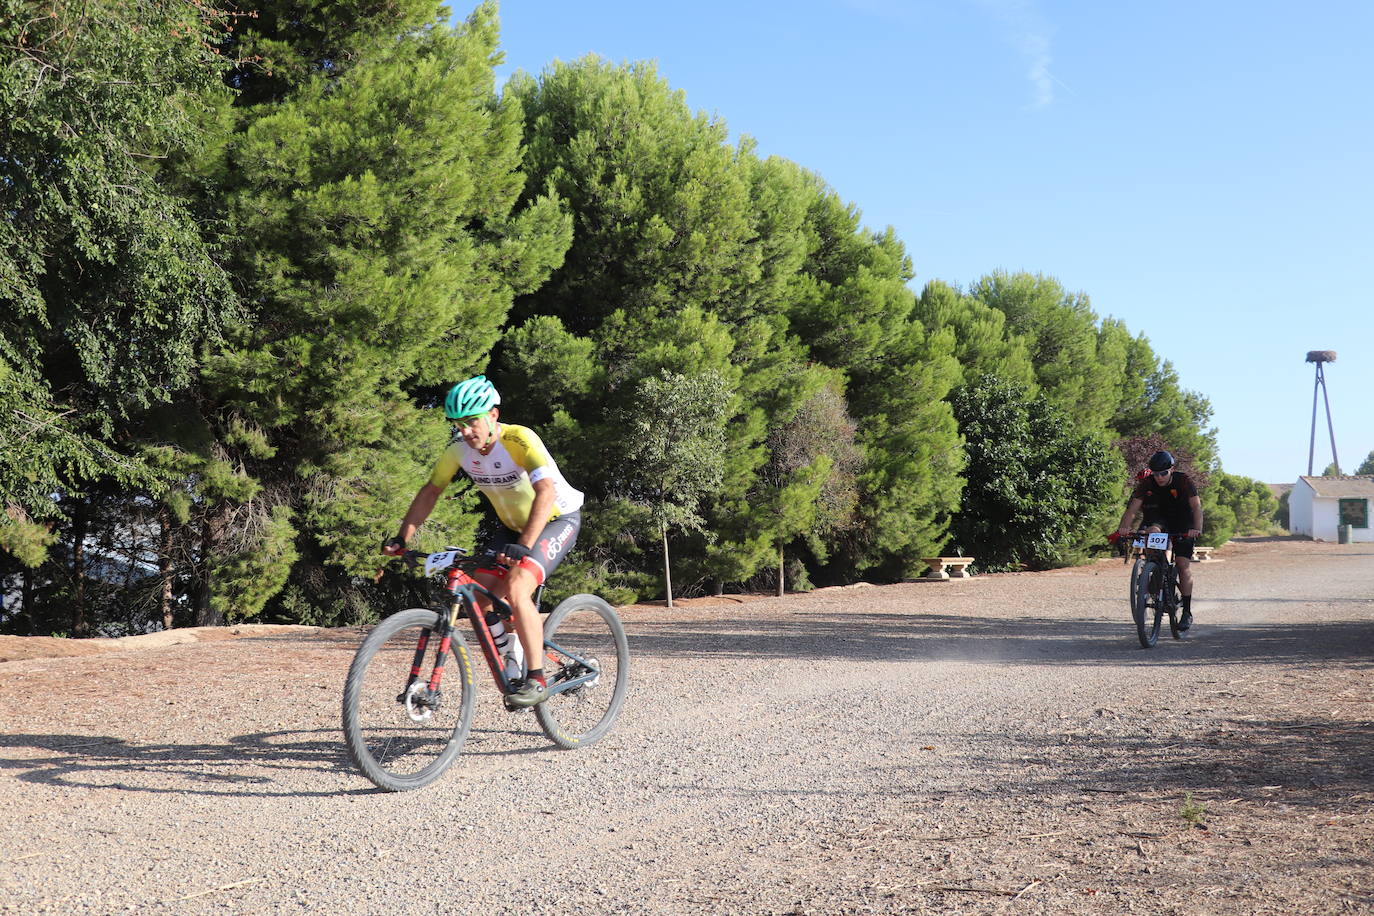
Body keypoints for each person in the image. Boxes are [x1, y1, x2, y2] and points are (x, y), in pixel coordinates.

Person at [382, 375, 584, 706]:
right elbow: (432, 491)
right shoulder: (459, 451)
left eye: (472, 421)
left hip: (555, 519)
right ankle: (512, 658)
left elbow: (545, 492)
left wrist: (525, 545)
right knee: (482, 593)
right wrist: (403, 537)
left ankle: (536, 679)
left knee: (519, 588)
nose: (465, 431)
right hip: (511, 527)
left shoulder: (520, 440)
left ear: (493, 414)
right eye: (458, 424)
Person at [1117, 450, 1203, 630]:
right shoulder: (1146, 483)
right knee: (1152, 531)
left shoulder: (1183, 480)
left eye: (1163, 473)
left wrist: (1197, 529)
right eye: (1156, 474)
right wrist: (1123, 528)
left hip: (1183, 521)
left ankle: (1186, 612)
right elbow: (1132, 510)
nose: (1160, 477)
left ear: (1171, 470)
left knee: (1182, 564)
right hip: (1159, 519)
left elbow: (1196, 507)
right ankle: (1155, 569)